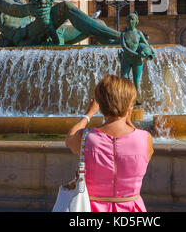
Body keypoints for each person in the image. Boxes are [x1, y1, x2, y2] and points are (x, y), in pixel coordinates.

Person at [66, 75, 154, 212]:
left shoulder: (85, 137)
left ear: (100, 106)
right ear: (131, 105)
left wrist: (88, 114)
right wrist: (128, 118)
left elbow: (69, 138)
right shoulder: (145, 138)